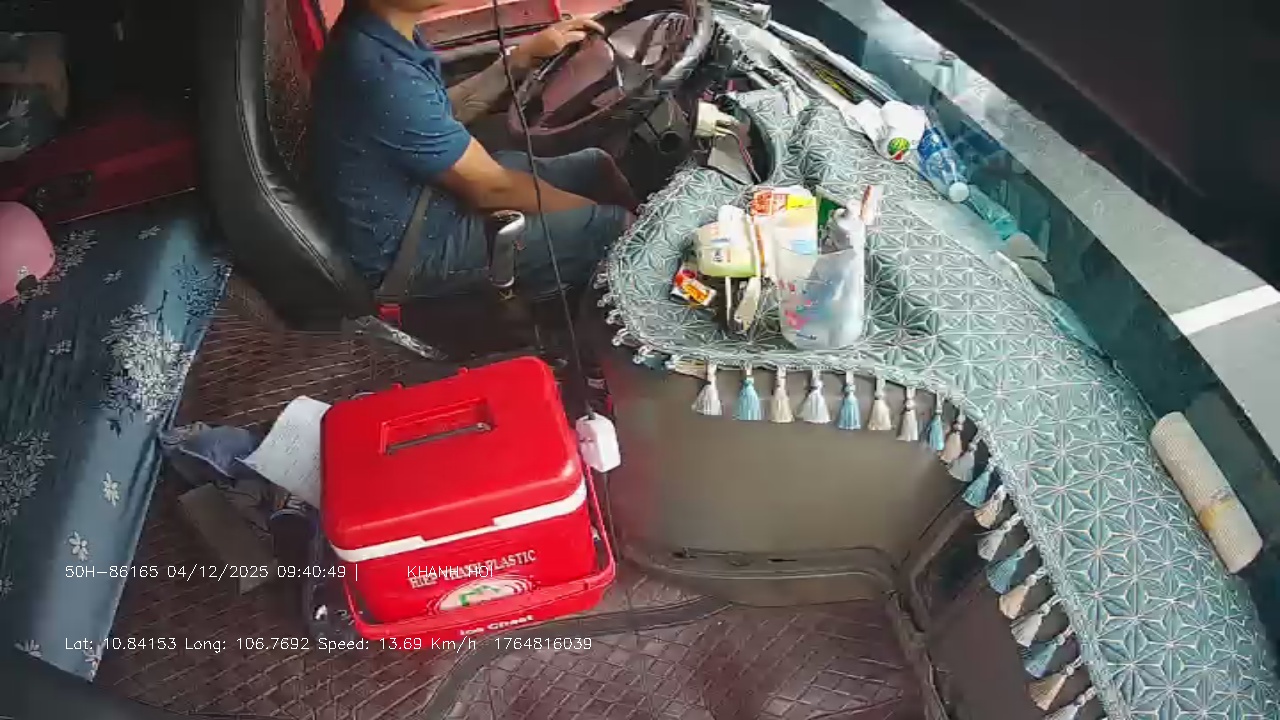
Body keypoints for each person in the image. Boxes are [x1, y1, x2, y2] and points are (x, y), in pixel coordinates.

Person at [307, 0, 637, 300]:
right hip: (408, 252)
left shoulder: (385, 35)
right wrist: (608, 221)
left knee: (595, 167)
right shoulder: (381, 72)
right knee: (614, 230)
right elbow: (492, 190)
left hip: (426, 197)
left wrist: (519, 60)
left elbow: (438, 113)